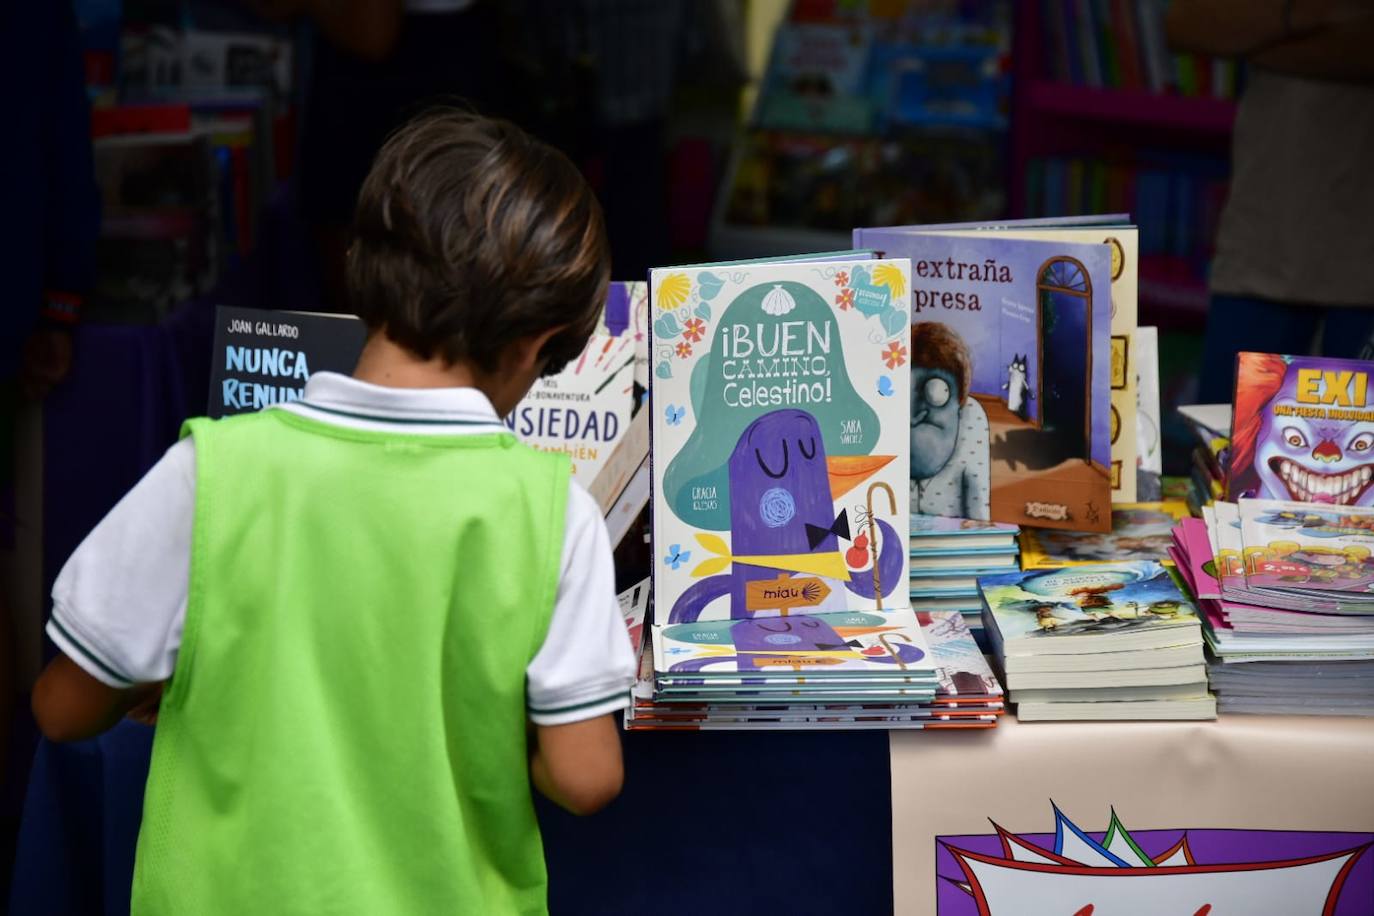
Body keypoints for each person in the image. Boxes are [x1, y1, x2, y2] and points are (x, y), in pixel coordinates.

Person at [30, 109, 635, 915]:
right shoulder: (551, 511)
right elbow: (585, 777)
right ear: (538, 344)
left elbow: (62, 709)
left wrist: (175, 673)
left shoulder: (215, 469)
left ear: (361, 261)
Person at [1166, 0, 1374, 403]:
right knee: (1226, 458)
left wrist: (1266, 35)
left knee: (1346, 462)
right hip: (1262, 247)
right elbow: (1186, 26)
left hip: (1360, 267)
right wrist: (1319, 14)